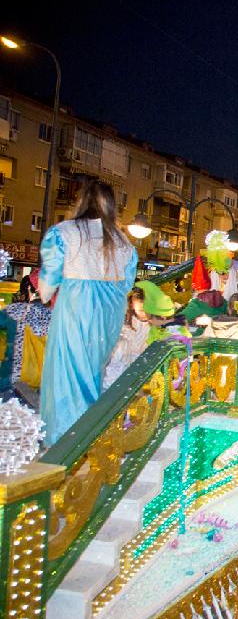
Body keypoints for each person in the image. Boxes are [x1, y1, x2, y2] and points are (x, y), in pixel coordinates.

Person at [38, 180, 137, 445]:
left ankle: (65, 440)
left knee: (67, 372)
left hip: (77, 306)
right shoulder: (123, 242)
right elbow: (127, 284)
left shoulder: (64, 232)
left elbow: (47, 282)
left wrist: (47, 294)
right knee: (93, 369)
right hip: (109, 312)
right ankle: (89, 434)